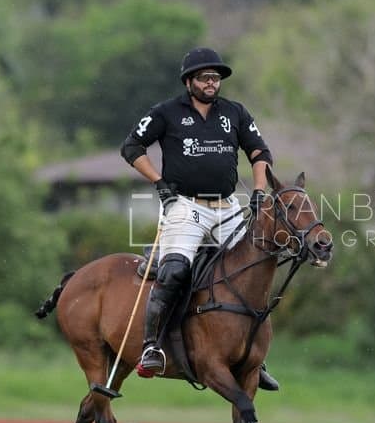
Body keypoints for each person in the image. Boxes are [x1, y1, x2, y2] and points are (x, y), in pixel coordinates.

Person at [119, 47, 281, 390]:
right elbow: (132, 147)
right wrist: (159, 183)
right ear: (189, 80)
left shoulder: (234, 113)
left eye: (216, 78)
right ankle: (152, 348)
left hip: (226, 206)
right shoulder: (166, 112)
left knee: (254, 265)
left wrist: (259, 189)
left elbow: (259, 151)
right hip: (186, 207)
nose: (212, 83)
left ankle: (256, 358)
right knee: (175, 270)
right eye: (206, 77)